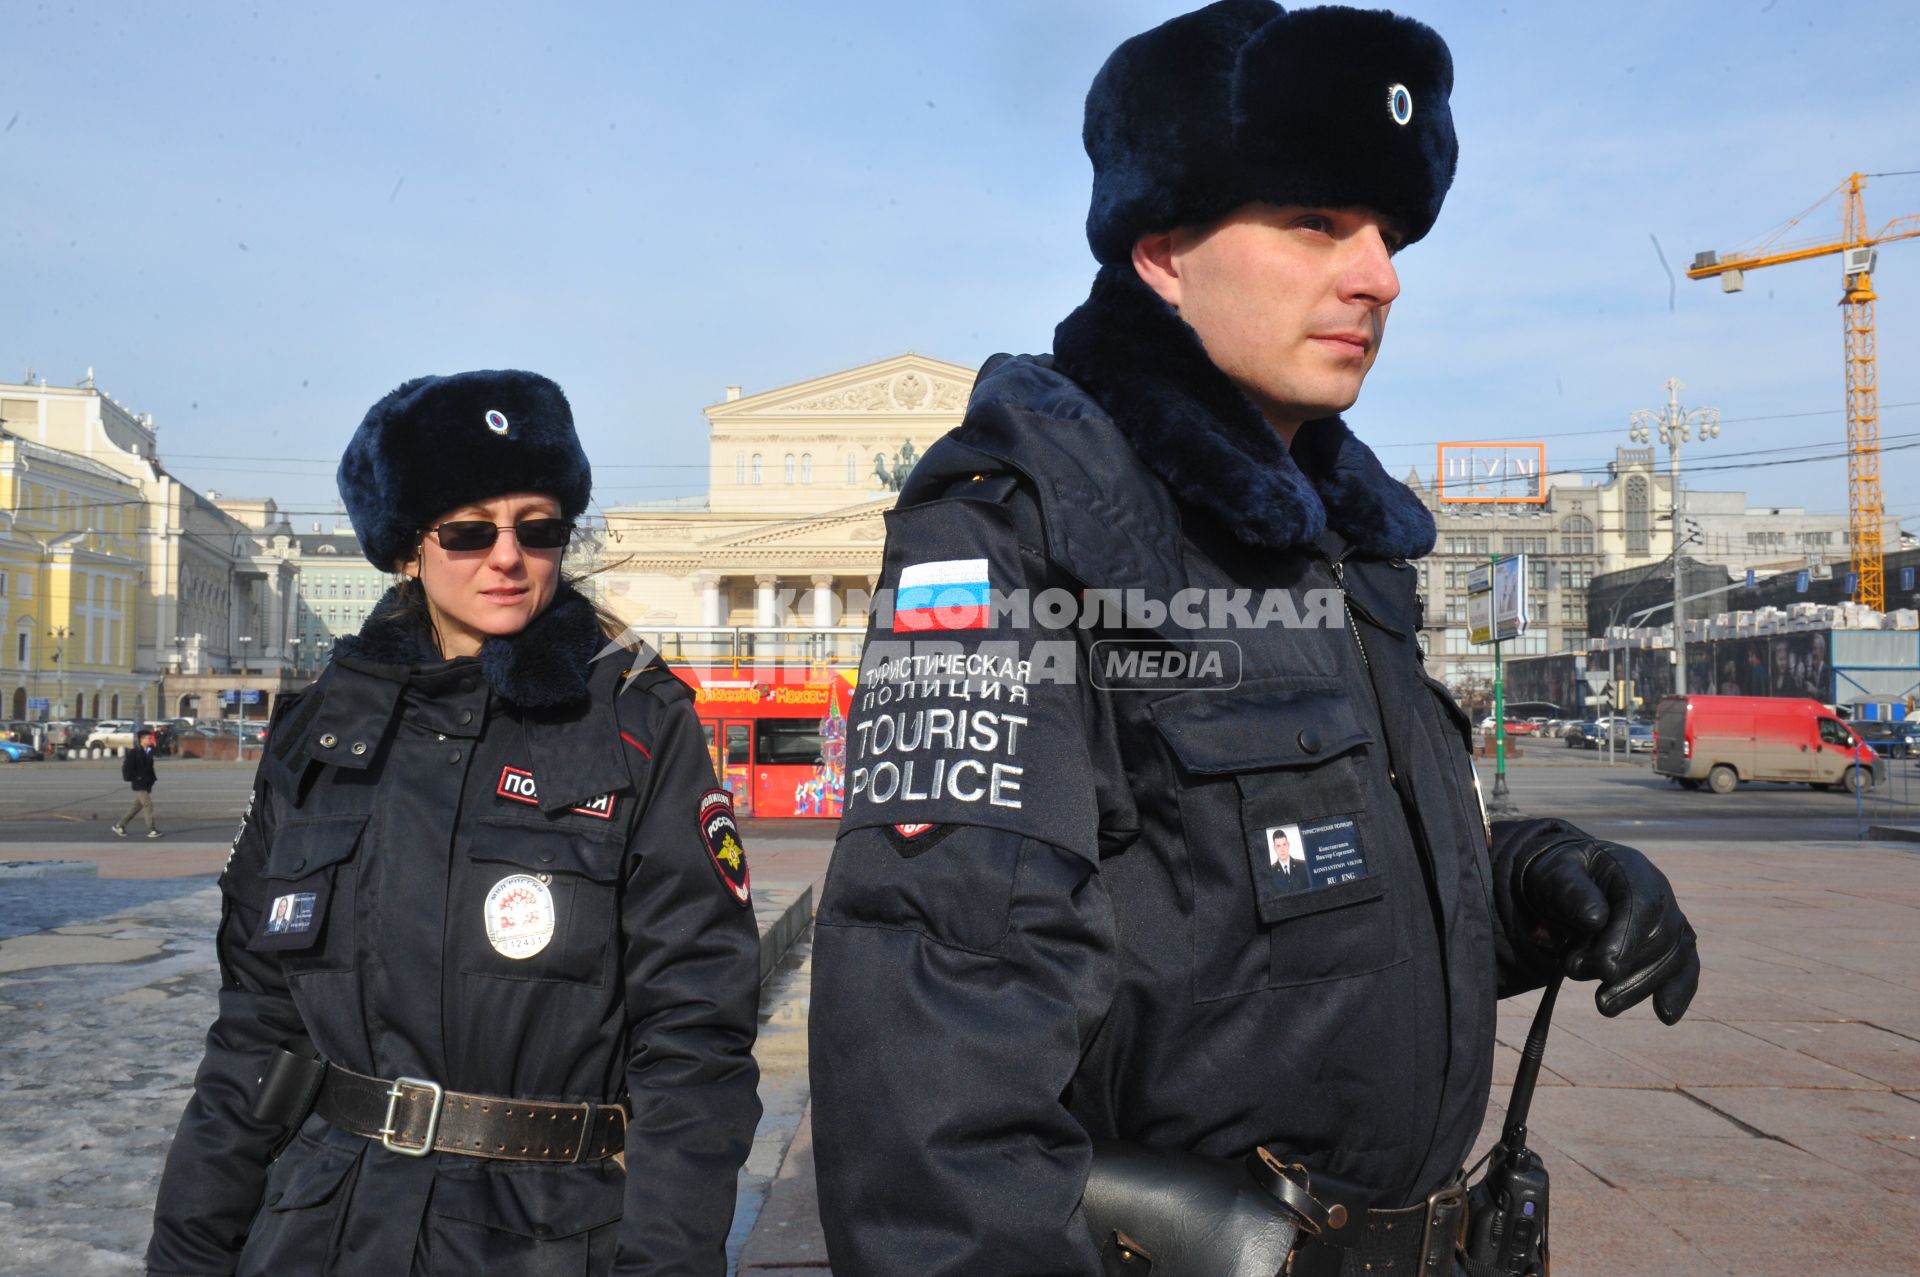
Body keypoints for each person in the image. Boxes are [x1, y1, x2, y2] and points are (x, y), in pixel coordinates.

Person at [809, 5, 1700, 1275]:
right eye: (1316, 222)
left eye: (1388, 233)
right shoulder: (1027, 534)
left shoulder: (1339, 545)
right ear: (1164, 250)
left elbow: (1249, 927)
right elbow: (933, 1064)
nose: (1379, 274)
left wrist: (1530, 889)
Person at [147, 370, 762, 1276]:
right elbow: (257, 1030)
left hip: (548, 1236)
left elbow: (696, 1036)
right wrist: (188, 1253)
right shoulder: (321, 733)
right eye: (470, 531)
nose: (506, 556)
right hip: (326, 1232)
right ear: (408, 548)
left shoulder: (636, 724)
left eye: (538, 527)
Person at [112, 730, 162, 839]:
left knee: (137, 806)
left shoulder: (149, 750)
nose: (150, 740)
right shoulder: (134, 752)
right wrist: (136, 777)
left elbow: (151, 766)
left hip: (147, 783)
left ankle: (120, 825)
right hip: (139, 783)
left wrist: (152, 779)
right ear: (141, 739)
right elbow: (126, 768)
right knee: (148, 803)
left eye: (150, 738)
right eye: (148, 738)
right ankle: (152, 829)